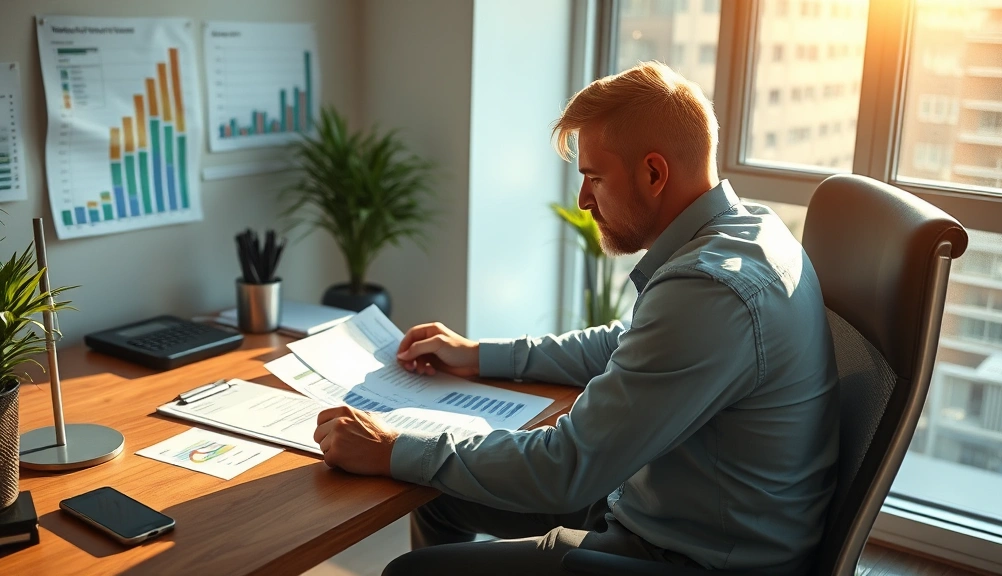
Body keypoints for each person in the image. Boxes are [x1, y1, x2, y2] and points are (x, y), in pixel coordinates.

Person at [313, 61, 839, 575]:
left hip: (690, 556)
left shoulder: (710, 290)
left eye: (594, 177)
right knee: (441, 497)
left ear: (654, 172)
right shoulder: (749, 230)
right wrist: (481, 356)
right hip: (667, 510)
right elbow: (626, 343)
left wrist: (392, 449)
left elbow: (567, 467)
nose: (584, 199)